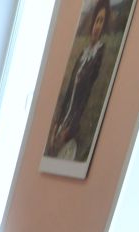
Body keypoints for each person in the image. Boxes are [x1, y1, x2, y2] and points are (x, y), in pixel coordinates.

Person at [49, 1, 113, 160]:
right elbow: (70, 88)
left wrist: (68, 130)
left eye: (101, 22)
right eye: (96, 20)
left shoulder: (98, 54)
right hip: (63, 120)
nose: (97, 26)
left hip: (73, 125)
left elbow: (84, 96)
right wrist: (56, 123)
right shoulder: (82, 54)